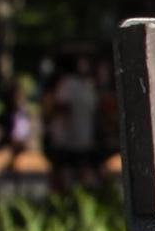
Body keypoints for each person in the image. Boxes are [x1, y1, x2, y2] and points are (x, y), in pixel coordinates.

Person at [42, 52, 109, 186]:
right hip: (85, 138)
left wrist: (49, 115)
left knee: (66, 174)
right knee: (83, 173)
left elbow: (63, 108)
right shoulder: (87, 85)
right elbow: (96, 112)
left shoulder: (67, 84)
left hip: (67, 139)